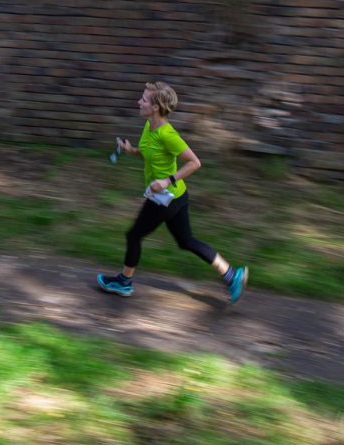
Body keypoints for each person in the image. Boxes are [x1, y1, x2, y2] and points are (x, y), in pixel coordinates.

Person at [97, 81, 248, 303]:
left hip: (165, 199)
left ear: (155, 107)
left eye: (144, 99)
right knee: (185, 241)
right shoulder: (149, 126)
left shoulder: (168, 135)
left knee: (134, 235)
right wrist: (131, 150)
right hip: (178, 197)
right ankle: (232, 275)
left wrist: (166, 181)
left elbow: (195, 162)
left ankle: (124, 281)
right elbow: (149, 152)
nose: (139, 102)